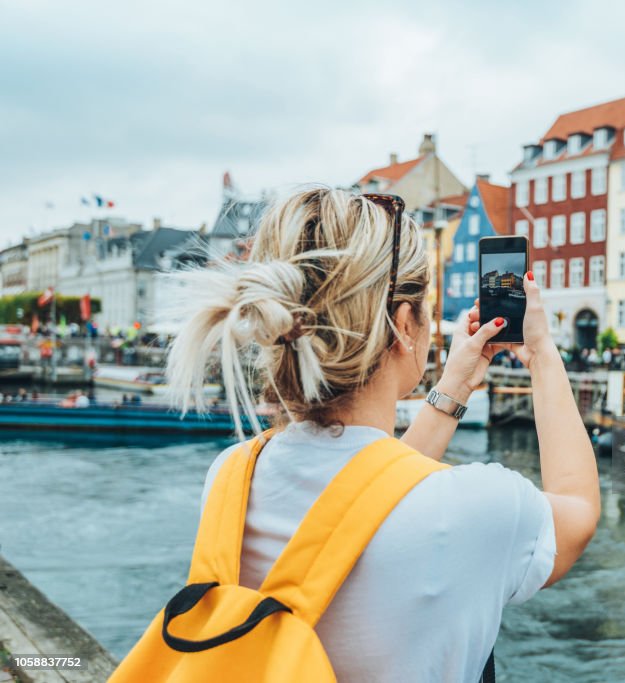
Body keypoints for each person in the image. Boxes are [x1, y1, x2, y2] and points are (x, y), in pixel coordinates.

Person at [162, 187, 600, 681]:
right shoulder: (474, 508)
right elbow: (578, 511)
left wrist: (453, 386)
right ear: (405, 323)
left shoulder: (231, 478)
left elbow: (363, 505)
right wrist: (542, 351)